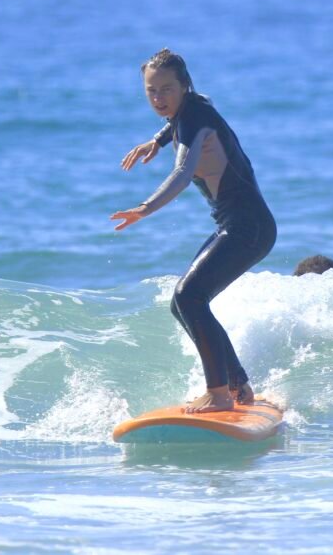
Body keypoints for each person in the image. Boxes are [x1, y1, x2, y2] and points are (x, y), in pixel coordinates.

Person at [111, 49, 277, 414]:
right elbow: (183, 119)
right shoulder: (194, 108)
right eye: (151, 91)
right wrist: (157, 140)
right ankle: (238, 385)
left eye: (167, 89)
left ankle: (218, 394)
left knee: (190, 297)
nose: (159, 98)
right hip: (242, 226)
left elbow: (184, 173)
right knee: (181, 303)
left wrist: (144, 208)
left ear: (184, 85)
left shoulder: (195, 118)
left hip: (248, 228)